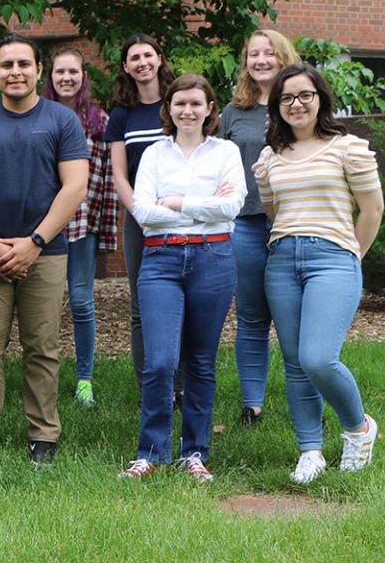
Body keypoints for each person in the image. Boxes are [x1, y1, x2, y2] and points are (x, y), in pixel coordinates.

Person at [0, 34, 89, 464]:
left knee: (42, 345)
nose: (15, 72)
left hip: (45, 254)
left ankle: (44, 435)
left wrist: (34, 243)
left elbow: (75, 187)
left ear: (38, 71)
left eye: (23, 64)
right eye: (6, 65)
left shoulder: (62, 120)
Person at [253, 64, 384, 484]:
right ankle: (310, 450)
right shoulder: (269, 157)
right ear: (277, 106)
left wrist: (351, 255)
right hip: (282, 260)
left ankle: (358, 427)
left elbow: (372, 209)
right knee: (294, 363)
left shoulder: (349, 148)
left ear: (320, 98)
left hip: (333, 259)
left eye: (305, 95)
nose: (296, 104)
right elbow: (275, 212)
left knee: (317, 358)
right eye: (287, 98)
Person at [118, 74, 244, 482]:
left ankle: (194, 454)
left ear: (210, 109)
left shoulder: (225, 152)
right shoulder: (155, 154)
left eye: (195, 103)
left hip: (214, 258)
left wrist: (176, 202)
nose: (187, 110)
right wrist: (204, 207)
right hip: (161, 259)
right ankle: (150, 453)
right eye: (179, 104)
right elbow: (143, 211)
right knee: (160, 362)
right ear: (168, 110)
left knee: (202, 363)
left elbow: (234, 207)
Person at [219, 29, 301, 426]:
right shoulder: (234, 112)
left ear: (284, 58)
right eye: (254, 54)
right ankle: (252, 406)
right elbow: (214, 159)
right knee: (251, 318)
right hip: (246, 227)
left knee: (293, 320)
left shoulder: (300, 106)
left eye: (270, 53)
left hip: (294, 226)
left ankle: (305, 401)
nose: (262, 60)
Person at [43, 48, 118, 407]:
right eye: (60, 71)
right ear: (50, 76)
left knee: (82, 301)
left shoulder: (98, 121)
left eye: (73, 71)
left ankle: (84, 380)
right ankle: (42, 375)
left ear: (84, 75)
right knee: (43, 305)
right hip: (42, 226)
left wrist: (103, 229)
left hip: (82, 223)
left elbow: (103, 180)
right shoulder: (38, 115)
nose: (67, 78)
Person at [105, 34, 178, 393]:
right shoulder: (121, 115)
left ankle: (181, 386)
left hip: (183, 217)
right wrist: (141, 212)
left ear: (160, 58)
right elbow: (119, 173)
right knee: (140, 305)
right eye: (134, 57)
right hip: (139, 221)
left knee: (183, 300)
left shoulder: (177, 104)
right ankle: (150, 387)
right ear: (125, 67)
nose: (142, 62)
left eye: (148, 55)